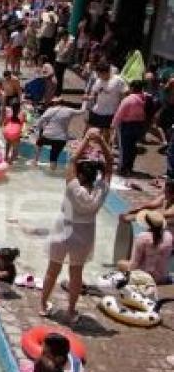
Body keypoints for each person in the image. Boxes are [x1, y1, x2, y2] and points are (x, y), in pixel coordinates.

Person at [40, 129, 113, 322]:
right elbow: (110, 164)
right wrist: (102, 142)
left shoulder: (72, 186)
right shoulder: (101, 190)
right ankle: (71, 310)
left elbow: (72, 159)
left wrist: (88, 138)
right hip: (85, 233)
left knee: (52, 270)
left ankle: (42, 305)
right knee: (76, 274)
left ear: (79, 174)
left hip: (62, 228)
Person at [118, 210, 173, 284]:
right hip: (162, 278)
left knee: (120, 263)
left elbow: (134, 264)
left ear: (146, 223)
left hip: (144, 278)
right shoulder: (169, 236)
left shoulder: (142, 237)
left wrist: (128, 276)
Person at [33, 98, 87, 170]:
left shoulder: (50, 110)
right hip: (61, 139)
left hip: (48, 135)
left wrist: (38, 130)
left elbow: (40, 121)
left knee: (39, 143)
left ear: (55, 103)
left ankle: (35, 161)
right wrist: (85, 101)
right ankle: (52, 171)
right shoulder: (69, 110)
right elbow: (82, 111)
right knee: (54, 158)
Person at [111, 80, 147, 176]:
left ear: (131, 88)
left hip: (127, 125)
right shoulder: (144, 98)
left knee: (124, 148)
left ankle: (123, 168)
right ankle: (129, 167)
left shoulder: (128, 99)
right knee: (132, 147)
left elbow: (120, 113)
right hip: (139, 125)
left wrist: (113, 124)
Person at [87, 62, 127, 143]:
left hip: (110, 111)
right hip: (97, 109)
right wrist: (89, 97)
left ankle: (105, 150)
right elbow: (94, 92)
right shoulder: (99, 80)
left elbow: (125, 93)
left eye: (100, 74)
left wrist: (122, 108)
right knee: (90, 130)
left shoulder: (118, 80)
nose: (98, 76)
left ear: (107, 72)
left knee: (106, 133)